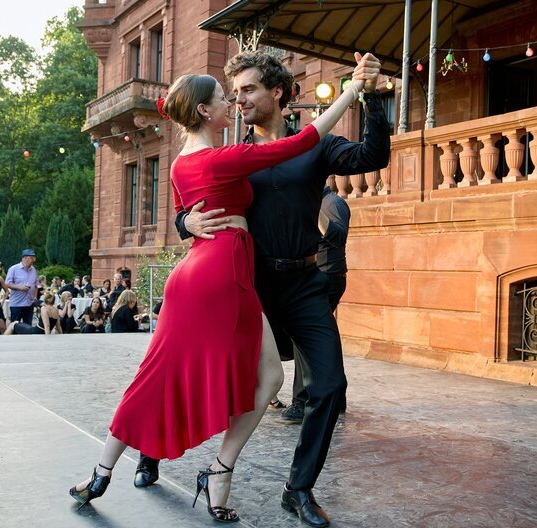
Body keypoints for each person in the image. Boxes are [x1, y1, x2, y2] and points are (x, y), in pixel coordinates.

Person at [69, 62, 368, 524]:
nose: (233, 103)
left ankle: (120, 471)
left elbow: (185, 210)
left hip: (210, 273)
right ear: (207, 111)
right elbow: (303, 141)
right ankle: (134, 469)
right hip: (221, 276)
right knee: (181, 375)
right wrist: (351, 92)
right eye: (225, 98)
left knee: (206, 375)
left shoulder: (181, 162)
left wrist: (187, 221)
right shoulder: (222, 157)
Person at [169, 51, 388, 527]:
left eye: (248, 90)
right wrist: (187, 220)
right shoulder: (230, 154)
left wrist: (374, 99)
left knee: (329, 385)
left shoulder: (316, 146)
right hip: (248, 283)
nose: (239, 99)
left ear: (278, 93)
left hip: (305, 283)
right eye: (235, 91)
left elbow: (373, 156)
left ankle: (299, 489)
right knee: (200, 371)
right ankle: (151, 453)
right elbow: (186, 203)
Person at [281, 186, 351, 424]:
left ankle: (302, 402)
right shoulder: (317, 201)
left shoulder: (332, 203)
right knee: (323, 338)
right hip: (318, 277)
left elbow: (337, 236)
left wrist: (312, 211)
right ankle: (336, 396)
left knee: (304, 338)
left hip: (326, 278)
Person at [5, 249, 38, 324]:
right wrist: (20, 287)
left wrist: (35, 297)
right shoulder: (13, 269)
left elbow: (36, 285)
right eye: (32, 257)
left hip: (29, 303)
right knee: (15, 325)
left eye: (34, 258)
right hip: (17, 304)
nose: (34, 260)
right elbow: (7, 283)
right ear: (25, 258)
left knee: (28, 326)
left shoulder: (33, 270)